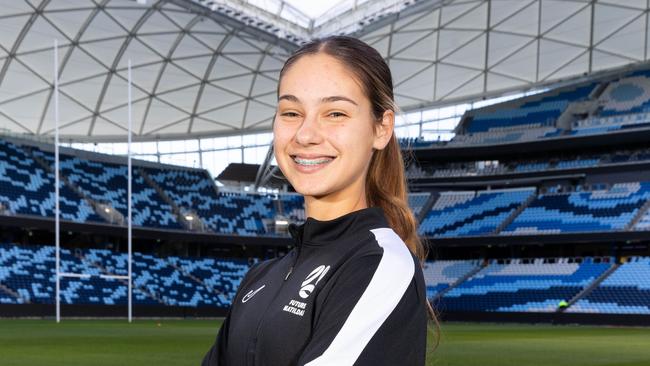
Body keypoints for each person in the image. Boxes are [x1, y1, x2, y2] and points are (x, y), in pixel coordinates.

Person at [201, 35, 438, 366]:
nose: (306, 134)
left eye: (335, 113)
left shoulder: (382, 265)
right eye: (291, 112)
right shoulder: (260, 276)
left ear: (381, 128)